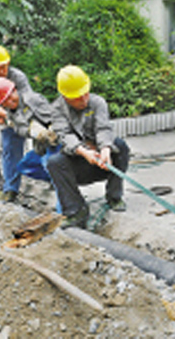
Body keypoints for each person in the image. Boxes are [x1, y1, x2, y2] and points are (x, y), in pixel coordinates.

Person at [47, 65, 129, 229]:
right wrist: (84, 152)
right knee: (54, 162)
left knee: (120, 146)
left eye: (85, 94)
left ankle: (114, 196)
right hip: (79, 163)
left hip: (102, 162)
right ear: (65, 97)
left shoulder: (97, 102)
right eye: (77, 98)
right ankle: (76, 211)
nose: (84, 100)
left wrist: (105, 149)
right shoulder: (57, 109)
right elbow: (65, 135)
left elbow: (103, 128)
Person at [0, 77, 58, 202]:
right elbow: (20, 130)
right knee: (24, 166)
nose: (9, 102)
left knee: (53, 164)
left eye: (10, 97)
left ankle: (63, 185)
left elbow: (56, 118)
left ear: (15, 90)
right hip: (41, 145)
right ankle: (58, 178)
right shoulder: (10, 113)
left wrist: (51, 130)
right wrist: (32, 131)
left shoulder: (32, 99)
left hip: (57, 143)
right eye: (4, 102)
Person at [0, 44, 33, 199]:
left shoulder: (18, 77)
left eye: (3, 67)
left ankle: (54, 181)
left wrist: (11, 114)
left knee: (39, 146)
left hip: (20, 116)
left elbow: (27, 99)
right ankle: (8, 189)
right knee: (7, 149)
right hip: (2, 119)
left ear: (8, 63)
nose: (0, 71)